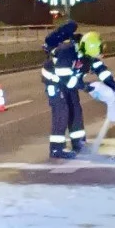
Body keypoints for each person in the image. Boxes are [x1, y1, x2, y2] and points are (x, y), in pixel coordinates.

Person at [42, 22, 86, 159]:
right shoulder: (69, 50)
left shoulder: (84, 54)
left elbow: (99, 69)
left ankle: (78, 143)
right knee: (62, 112)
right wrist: (85, 86)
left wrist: (112, 86)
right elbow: (63, 74)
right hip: (54, 83)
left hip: (66, 82)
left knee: (75, 110)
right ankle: (56, 149)